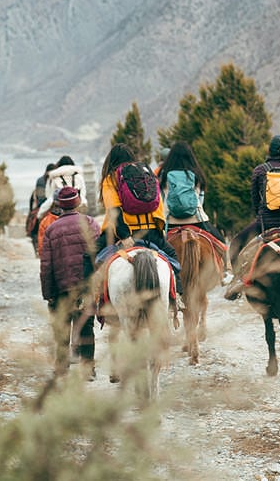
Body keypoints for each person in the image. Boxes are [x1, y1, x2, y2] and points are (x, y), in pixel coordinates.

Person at [226, 135, 280, 299]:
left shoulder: (259, 170)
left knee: (235, 244)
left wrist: (261, 218)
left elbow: (255, 200)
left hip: (264, 223)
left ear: (269, 151)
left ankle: (237, 280)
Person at [40, 186, 101, 379]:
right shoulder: (90, 223)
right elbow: (99, 255)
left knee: (62, 328)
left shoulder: (51, 229)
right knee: (86, 327)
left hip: (61, 288)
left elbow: (46, 265)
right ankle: (88, 369)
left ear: (59, 204)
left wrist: (47, 293)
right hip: (86, 286)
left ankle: (61, 368)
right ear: (77, 203)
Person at [95, 143, 178, 272]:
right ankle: (177, 291)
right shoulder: (147, 175)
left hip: (123, 233)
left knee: (88, 256)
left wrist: (124, 236)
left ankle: (85, 291)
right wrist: (158, 230)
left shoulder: (111, 177)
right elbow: (157, 203)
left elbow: (113, 209)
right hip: (151, 232)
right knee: (172, 257)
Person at [158, 141, 232, 283]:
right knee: (222, 244)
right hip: (197, 220)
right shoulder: (196, 174)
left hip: (171, 222)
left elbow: (162, 199)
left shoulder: (164, 174)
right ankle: (225, 274)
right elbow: (200, 199)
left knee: (157, 250)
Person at [27, 162, 56, 254]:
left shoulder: (55, 179)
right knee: (34, 223)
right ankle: (37, 246)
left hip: (51, 204)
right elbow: (41, 198)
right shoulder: (41, 181)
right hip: (44, 205)